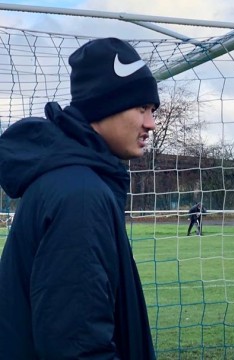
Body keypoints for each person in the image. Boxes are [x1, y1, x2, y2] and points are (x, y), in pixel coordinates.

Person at [0, 37, 159, 359]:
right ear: (104, 105)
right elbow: (76, 346)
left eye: (153, 110)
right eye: (141, 107)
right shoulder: (80, 195)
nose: (150, 124)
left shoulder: (67, 179)